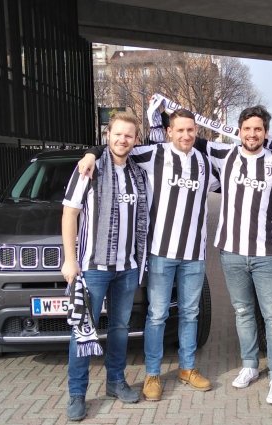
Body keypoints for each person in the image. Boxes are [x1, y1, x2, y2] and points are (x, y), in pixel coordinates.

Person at [78, 109, 220, 402]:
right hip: (160, 253)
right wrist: (91, 153)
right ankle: (153, 373)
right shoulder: (152, 155)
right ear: (168, 132)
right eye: (179, 130)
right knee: (157, 315)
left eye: (190, 130)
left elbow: (236, 166)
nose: (185, 135)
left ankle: (188, 368)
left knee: (191, 313)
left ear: (196, 132)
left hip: (194, 253)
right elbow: (118, 146)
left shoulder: (205, 162)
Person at [193, 106, 272, 404]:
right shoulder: (226, 156)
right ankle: (249, 366)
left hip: (267, 254)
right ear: (239, 130)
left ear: (266, 132)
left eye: (258, 129)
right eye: (247, 129)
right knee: (243, 311)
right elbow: (192, 140)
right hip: (232, 253)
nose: (252, 134)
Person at [61, 112, 149, 421]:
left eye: (129, 135)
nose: (123, 140)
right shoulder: (89, 169)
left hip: (127, 267)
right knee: (83, 331)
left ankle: (115, 382)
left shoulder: (139, 174)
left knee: (120, 328)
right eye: (118, 134)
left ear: (136, 139)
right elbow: (69, 214)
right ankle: (77, 393)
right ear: (107, 135)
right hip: (92, 267)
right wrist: (70, 260)